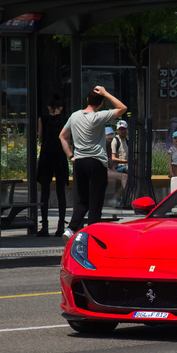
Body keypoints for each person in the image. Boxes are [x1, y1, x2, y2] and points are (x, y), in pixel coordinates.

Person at [59, 86, 128, 242]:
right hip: (96, 163)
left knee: (83, 200)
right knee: (95, 202)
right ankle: (92, 237)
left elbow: (62, 136)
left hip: (79, 162)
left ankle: (70, 229)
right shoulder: (98, 117)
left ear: (88, 100)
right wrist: (105, 93)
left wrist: (71, 156)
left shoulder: (74, 116)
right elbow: (122, 108)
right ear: (101, 103)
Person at [36, 93, 68, 237]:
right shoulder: (65, 120)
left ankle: (44, 226)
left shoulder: (43, 119)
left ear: (49, 107)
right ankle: (61, 226)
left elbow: (41, 138)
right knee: (61, 191)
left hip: (47, 156)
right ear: (61, 108)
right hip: (60, 156)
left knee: (45, 192)